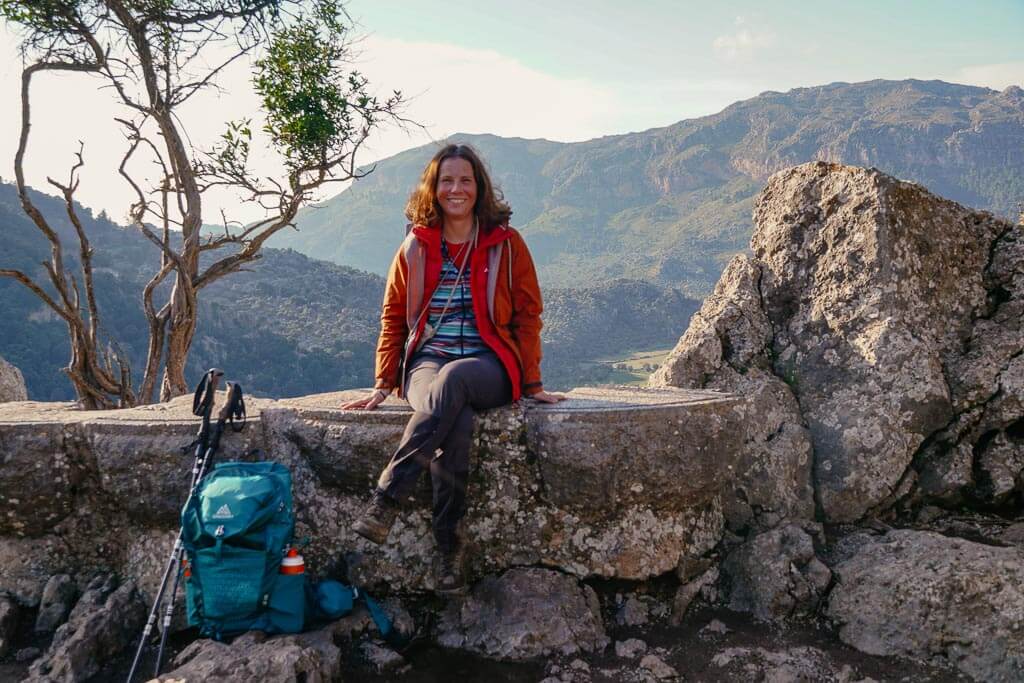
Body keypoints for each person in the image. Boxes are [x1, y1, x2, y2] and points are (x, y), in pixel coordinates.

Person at [343, 143, 566, 594]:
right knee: (455, 418)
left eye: (465, 180)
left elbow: (528, 312)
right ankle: (449, 550)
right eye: (447, 180)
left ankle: (387, 497)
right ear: (434, 188)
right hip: (428, 362)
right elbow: (393, 315)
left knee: (457, 379)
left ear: (479, 187)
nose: (456, 188)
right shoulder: (416, 248)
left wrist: (533, 380)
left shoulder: (506, 244)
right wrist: (384, 383)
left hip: (489, 363)